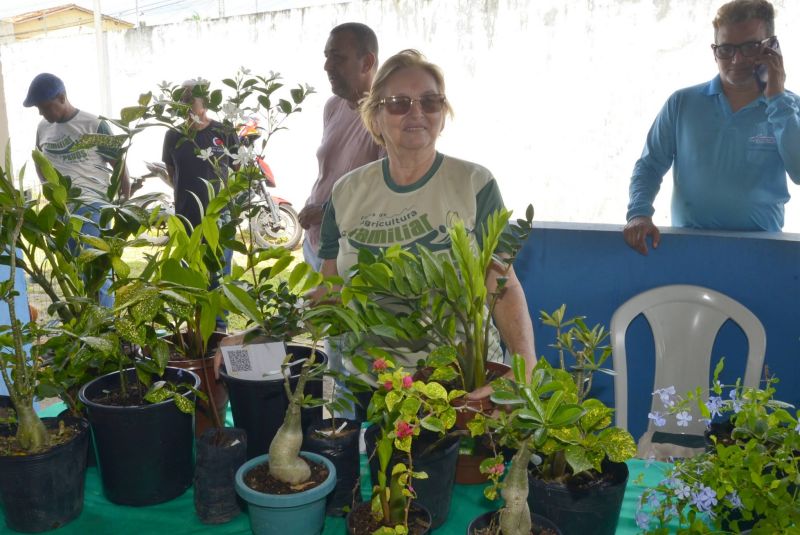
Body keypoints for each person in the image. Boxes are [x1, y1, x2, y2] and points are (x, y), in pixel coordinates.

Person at [317, 49, 537, 398]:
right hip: (373, 385)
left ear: (443, 114)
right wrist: (260, 333)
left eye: (430, 101)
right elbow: (330, 291)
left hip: (465, 382)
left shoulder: (474, 183)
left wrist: (524, 371)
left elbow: (503, 286)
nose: (416, 112)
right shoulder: (346, 192)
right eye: (399, 102)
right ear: (375, 116)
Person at [624, 0, 800, 255]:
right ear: (714, 51)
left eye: (750, 47)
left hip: (762, 254)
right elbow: (649, 166)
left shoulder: (790, 108)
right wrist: (639, 214)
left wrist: (776, 99)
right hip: (688, 250)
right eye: (726, 49)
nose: (737, 59)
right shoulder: (682, 103)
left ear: (771, 48)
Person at [24, 72, 130, 307]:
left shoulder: (94, 124)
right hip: (62, 209)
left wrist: (125, 201)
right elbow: (37, 158)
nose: (42, 113)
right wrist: (47, 186)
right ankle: (87, 328)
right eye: (38, 109)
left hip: (93, 206)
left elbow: (120, 163)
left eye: (45, 107)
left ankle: (105, 331)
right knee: (75, 271)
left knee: (96, 273)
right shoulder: (43, 127)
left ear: (61, 97)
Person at [298, 22, 384, 271]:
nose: (327, 66)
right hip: (316, 241)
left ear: (367, 63)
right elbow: (330, 171)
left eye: (338, 58)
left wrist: (326, 212)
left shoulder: (384, 116)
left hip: (351, 251)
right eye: (327, 57)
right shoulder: (333, 106)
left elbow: (387, 193)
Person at [162, 81, 237, 328]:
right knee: (191, 280)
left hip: (220, 218)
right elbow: (172, 174)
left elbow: (237, 169)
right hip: (187, 219)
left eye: (191, 97)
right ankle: (196, 333)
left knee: (218, 282)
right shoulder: (173, 135)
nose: (186, 102)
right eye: (182, 98)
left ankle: (218, 333)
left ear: (206, 101)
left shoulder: (224, 131)